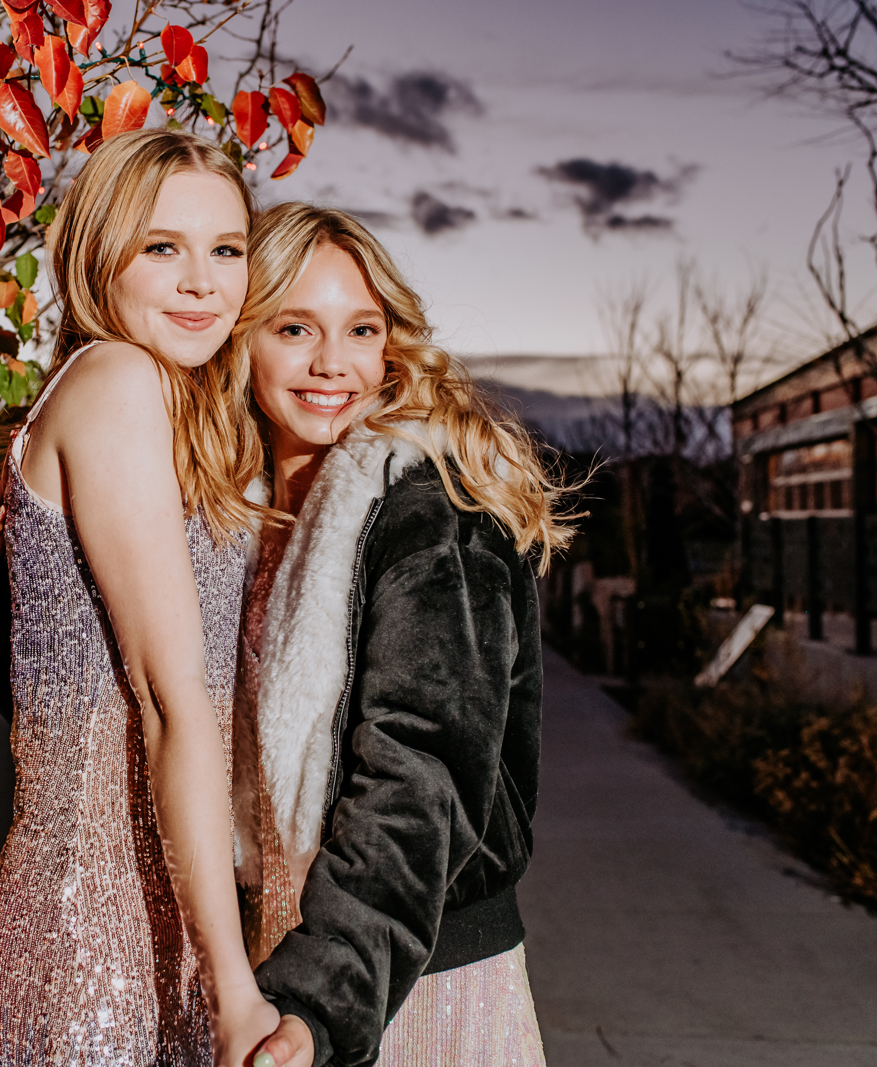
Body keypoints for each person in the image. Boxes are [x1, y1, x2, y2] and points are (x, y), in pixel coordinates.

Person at [0, 129, 279, 1067]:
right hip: (91, 951)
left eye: (226, 249)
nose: (202, 283)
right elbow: (171, 699)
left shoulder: (181, 408)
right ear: (101, 254)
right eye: (162, 247)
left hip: (150, 930)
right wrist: (233, 987)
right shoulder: (116, 381)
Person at [229, 204, 570, 1067]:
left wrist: (319, 997)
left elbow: (423, 771)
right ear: (241, 338)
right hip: (279, 964)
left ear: (392, 344)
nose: (332, 362)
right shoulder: (240, 520)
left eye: (361, 328)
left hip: (414, 981)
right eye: (295, 327)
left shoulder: (433, 513)